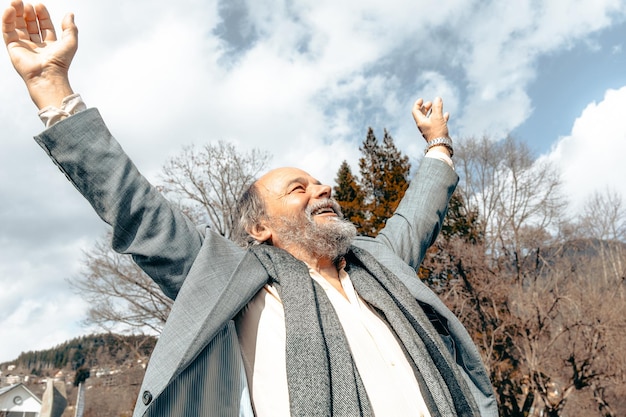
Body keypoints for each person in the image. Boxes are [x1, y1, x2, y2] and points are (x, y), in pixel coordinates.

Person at [3, 1, 497, 416]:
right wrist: (53, 91)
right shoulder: (235, 282)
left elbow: (419, 213)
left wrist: (439, 144)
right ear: (260, 227)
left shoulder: (379, 263)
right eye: (297, 188)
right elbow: (138, 210)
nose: (322, 189)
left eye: (320, 183)